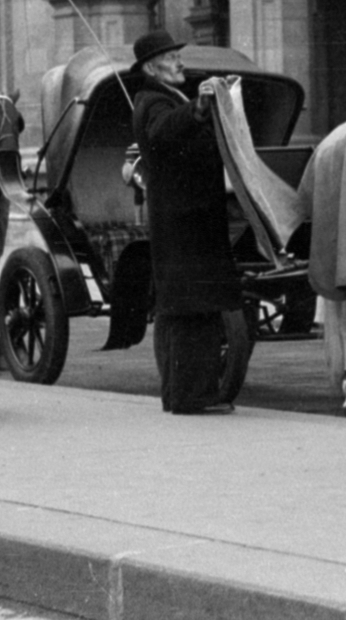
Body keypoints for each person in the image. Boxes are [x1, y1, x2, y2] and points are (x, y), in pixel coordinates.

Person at [130, 30, 241, 414]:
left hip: (192, 222)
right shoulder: (152, 101)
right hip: (183, 226)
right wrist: (198, 108)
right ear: (151, 67)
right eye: (171, 56)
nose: (179, 61)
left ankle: (188, 394)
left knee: (192, 311)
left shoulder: (166, 96)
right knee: (191, 313)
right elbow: (163, 130)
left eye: (178, 55)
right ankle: (190, 397)